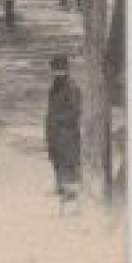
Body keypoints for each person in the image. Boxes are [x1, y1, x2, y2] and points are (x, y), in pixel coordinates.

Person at [45, 54, 82, 212]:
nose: (56, 73)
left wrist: (59, 120)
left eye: (59, 70)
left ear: (66, 70)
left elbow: (75, 110)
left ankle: (71, 197)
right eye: (55, 70)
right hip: (55, 131)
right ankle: (61, 187)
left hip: (67, 132)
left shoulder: (71, 87)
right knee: (57, 159)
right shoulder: (56, 85)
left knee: (68, 161)